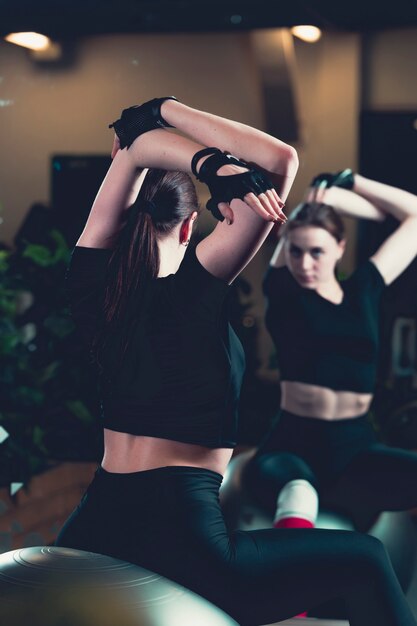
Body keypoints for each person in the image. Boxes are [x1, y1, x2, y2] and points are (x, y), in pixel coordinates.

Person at [54, 97, 416, 626]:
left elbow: (132, 155)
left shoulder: (90, 287)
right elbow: (278, 161)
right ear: (187, 229)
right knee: (365, 558)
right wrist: (167, 113)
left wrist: (169, 145)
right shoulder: (193, 292)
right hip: (181, 533)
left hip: (97, 522)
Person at [243, 170, 417, 536]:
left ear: (340, 247)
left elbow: (414, 215)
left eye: (316, 252)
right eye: (296, 251)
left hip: (356, 448)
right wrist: (314, 202)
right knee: (299, 494)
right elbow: (291, 227)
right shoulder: (284, 292)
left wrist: (351, 182)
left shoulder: (365, 288)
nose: (304, 264)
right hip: (292, 446)